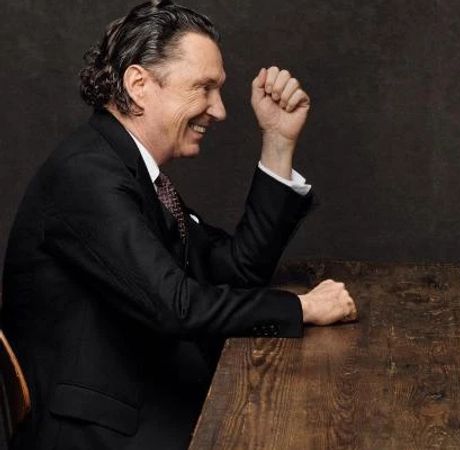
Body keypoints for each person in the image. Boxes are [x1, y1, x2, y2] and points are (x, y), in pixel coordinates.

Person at [1, 1, 356, 448]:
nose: (220, 110)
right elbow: (178, 306)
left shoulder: (126, 168)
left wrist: (278, 142)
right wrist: (301, 309)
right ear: (139, 84)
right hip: (103, 429)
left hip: (149, 397)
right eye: (203, 88)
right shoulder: (87, 175)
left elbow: (234, 271)